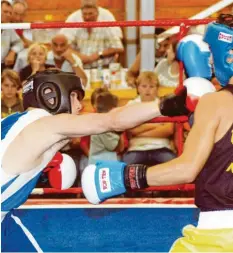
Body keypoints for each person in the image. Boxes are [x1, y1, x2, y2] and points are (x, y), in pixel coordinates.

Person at [81, 16, 233, 252]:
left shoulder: (215, 103)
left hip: (218, 233)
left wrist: (123, 177)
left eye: (212, 52)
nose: (209, 60)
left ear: (229, 55)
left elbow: (187, 169)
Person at [1, 67, 190, 251]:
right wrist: (162, 106)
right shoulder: (49, 124)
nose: (79, 105)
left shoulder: (12, 122)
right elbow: (111, 121)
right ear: (50, 95)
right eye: (74, 96)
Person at [89, 91, 125, 164]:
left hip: (104, 162)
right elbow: (118, 148)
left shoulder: (101, 123)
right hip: (100, 164)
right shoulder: (103, 127)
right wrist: (121, 133)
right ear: (111, 110)